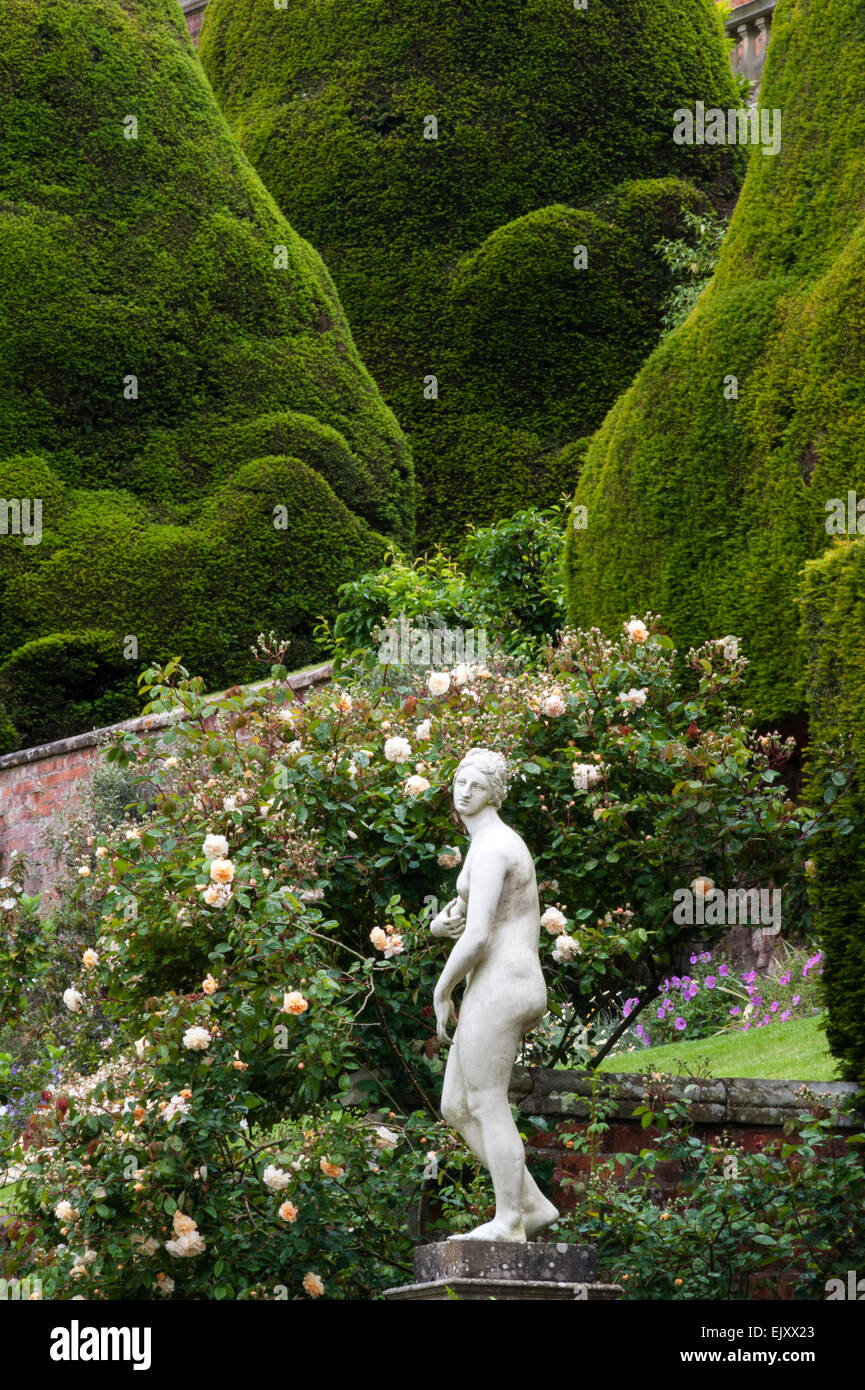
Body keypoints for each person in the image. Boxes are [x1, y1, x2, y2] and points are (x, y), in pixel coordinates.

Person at [430, 747, 558, 1241]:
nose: (464, 792)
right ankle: (531, 1203)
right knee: (456, 1105)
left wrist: (444, 988)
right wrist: (442, 922)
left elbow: (479, 934)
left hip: (505, 982)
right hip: (498, 981)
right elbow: (467, 912)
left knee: (485, 1100)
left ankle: (510, 1222)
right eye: (460, 781)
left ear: (494, 794)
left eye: (476, 786)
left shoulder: (492, 846)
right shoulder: (485, 844)